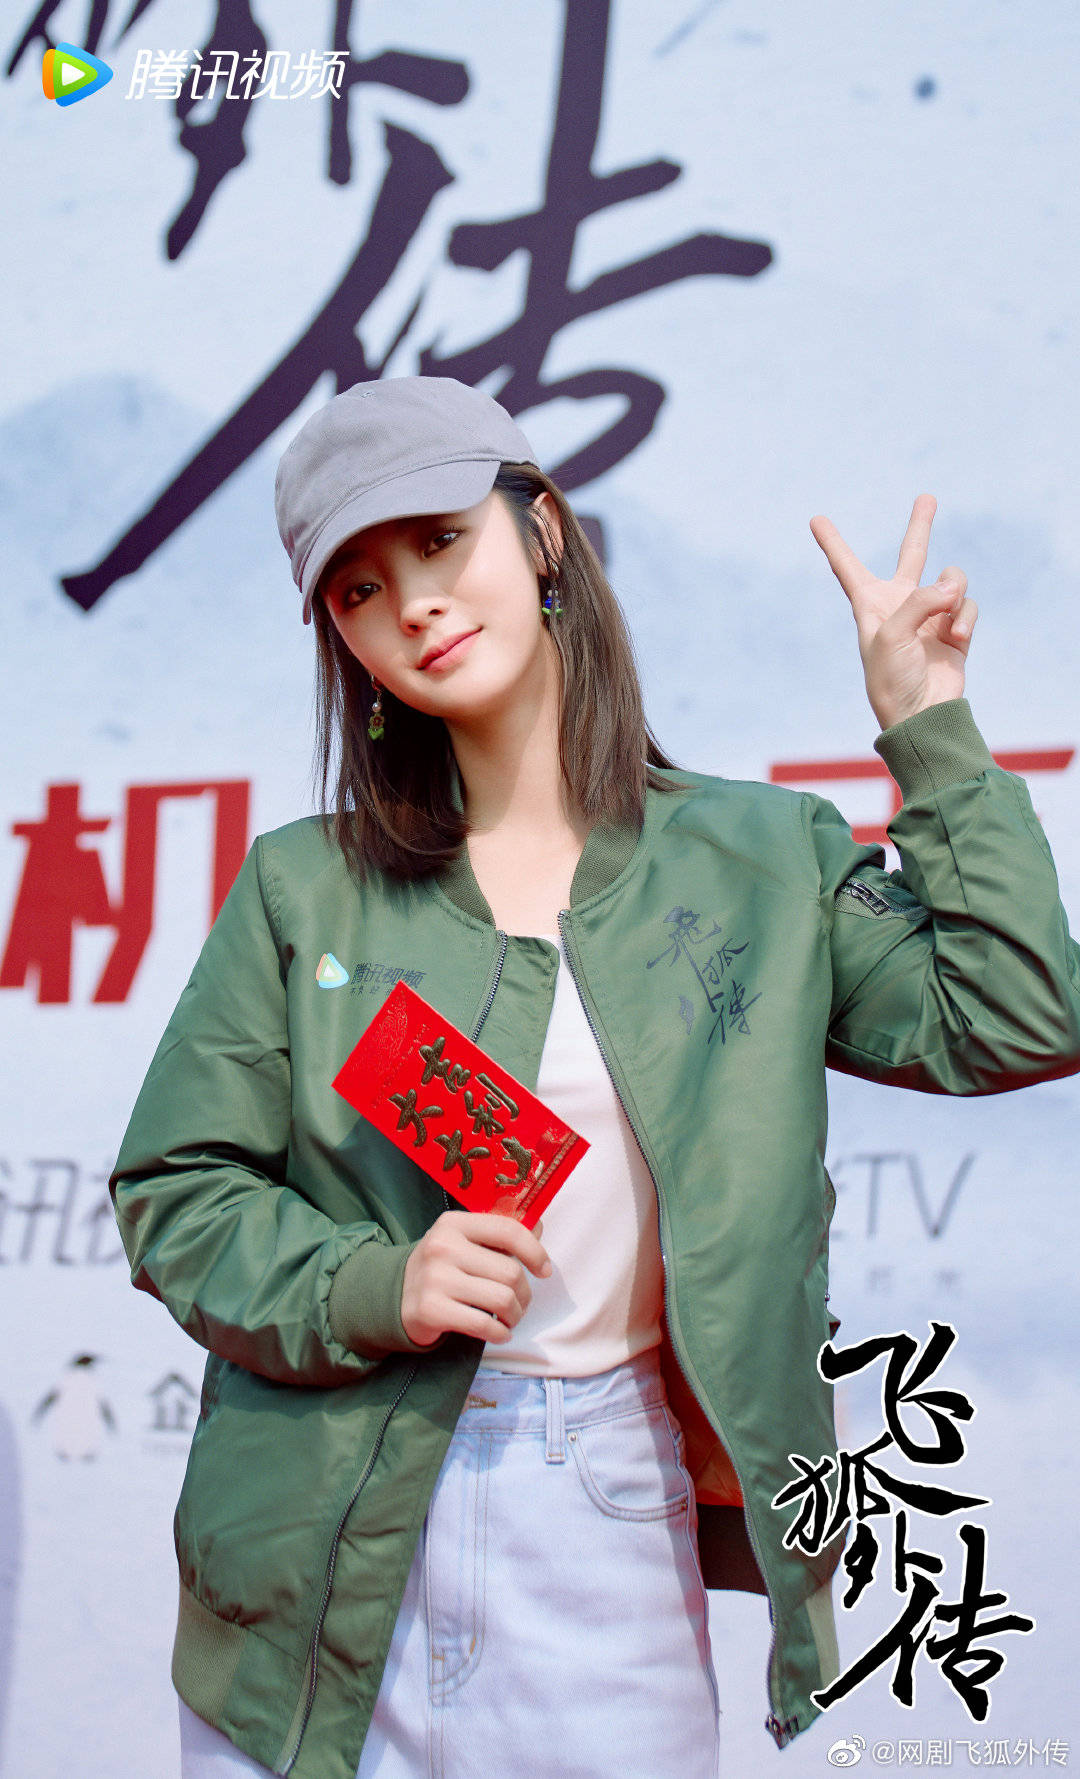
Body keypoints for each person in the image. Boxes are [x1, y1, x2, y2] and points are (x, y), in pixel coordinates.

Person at [109, 376, 1080, 1779]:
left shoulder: (759, 859)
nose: (415, 606)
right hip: (310, 1549)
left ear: (543, 530)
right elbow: (176, 1191)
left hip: (605, 1505)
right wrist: (378, 1284)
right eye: (361, 591)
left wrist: (928, 724)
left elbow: (1021, 1014)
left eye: (441, 541)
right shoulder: (302, 891)